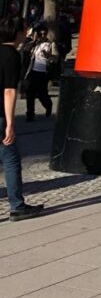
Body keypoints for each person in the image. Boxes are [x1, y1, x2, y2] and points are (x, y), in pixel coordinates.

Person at [0, 16, 44, 221]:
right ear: (17, 33)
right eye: (24, 30)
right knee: (10, 159)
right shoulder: (11, 55)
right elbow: (9, 91)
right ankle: (17, 205)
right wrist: (10, 123)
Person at [25, 25, 54, 122]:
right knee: (30, 93)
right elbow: (26, 51)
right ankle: (30, 113)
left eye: (44, 34)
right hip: (33, 71)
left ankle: (48, 105)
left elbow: (51, 56)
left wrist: (47, 54)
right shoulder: (34, 44)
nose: (43, 35)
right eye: (40, 34)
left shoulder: (49, 44)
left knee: (42, 94)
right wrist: (34, 41)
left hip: (43, 73)